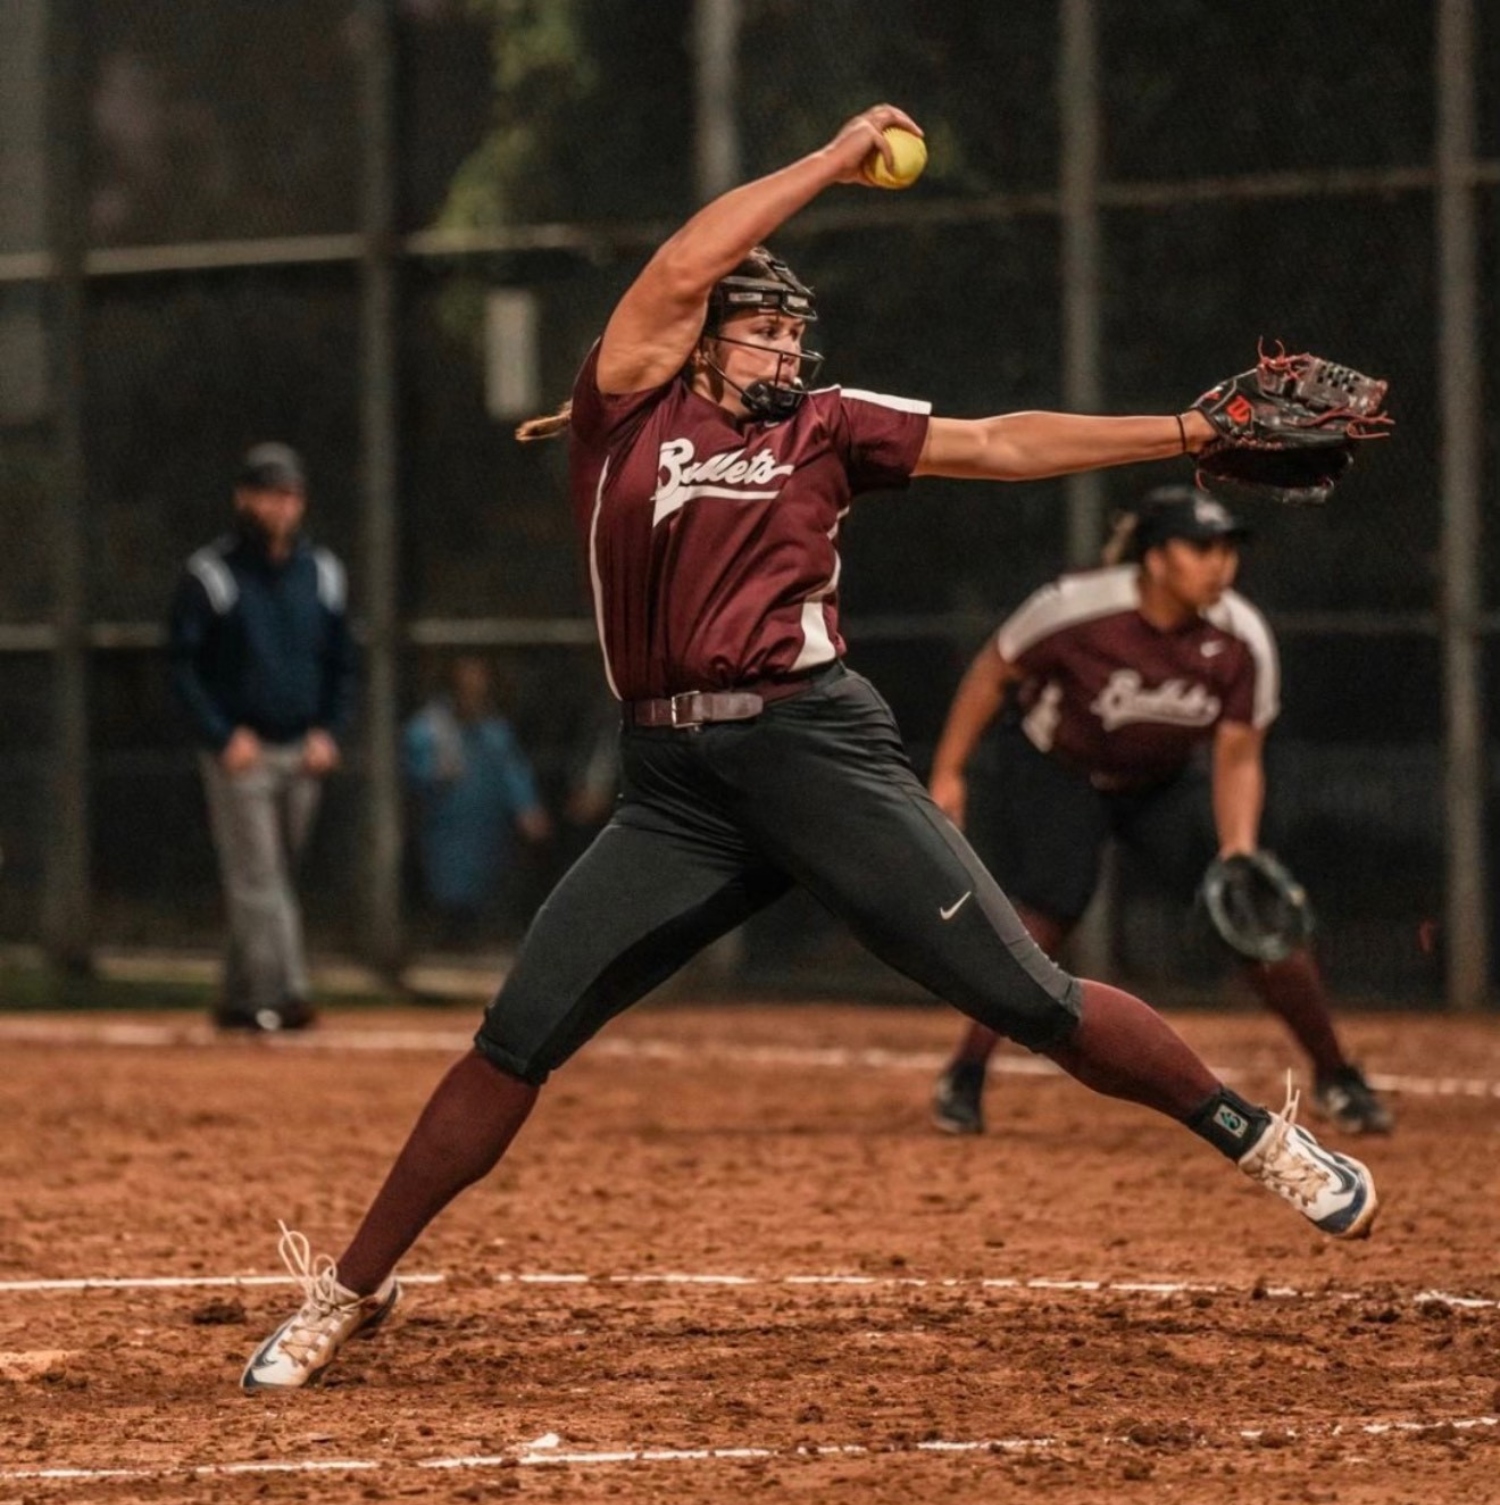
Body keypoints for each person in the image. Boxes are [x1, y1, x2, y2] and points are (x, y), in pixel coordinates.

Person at [240, 105, 1377, 1393]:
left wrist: (1184, 434)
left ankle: (1255, 1134)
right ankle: (351, 1286)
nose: (784, 344)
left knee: (1030, 1000)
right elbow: (678, 266)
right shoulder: (625, 410)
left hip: (816, 751)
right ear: (694, 340)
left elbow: (1002, 443)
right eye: (760, 325)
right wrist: (835, 161)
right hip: (673, 790)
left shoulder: (826, 425)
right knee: (516, 1036)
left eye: (793, 328)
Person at [927, 485, 1393, 1138]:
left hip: (1158, 782)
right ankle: (965, 1075)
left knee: (1252, 916)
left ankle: (1337, 1076)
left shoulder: (1240, 637)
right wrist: (948, 772)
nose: (1219, 564)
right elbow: (990, 674)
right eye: (1200, 548)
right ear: (1154, 558)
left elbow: (1237, 756)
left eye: (1227, 549)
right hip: (1056, 768)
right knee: (1051, 905)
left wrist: (1236, 850)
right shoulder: (1075, 608)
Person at [168, 442, 356, 1033]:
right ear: (244, 498)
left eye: (291, 495)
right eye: (271, 493)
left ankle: (236, 996)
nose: (282, 506)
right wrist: (222, 736)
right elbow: (182, 667)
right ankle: (287, 993)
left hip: (301, 748)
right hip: (241, 754)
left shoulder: (322, 573)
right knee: (260, 879)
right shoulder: (211, 575)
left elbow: (342, 661)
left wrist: (329, 730)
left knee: (269, 880)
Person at [403, 655, 552, 947]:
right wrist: (434, 773)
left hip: (486, 825)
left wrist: (528, 808)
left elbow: (513, 771)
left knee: (483, 885)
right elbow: (415, 769)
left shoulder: (494, 731)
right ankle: (447, 936)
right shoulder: (431, 726)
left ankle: (473, 936)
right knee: (447, 884)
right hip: (445, 822)